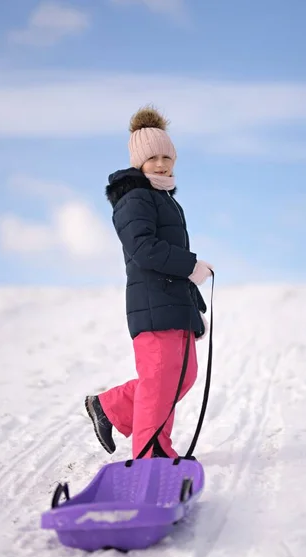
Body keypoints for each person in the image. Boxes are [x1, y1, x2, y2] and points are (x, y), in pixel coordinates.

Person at [85, 105, 214, 459]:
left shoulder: (164, 199)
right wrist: (191, 265)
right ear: (139, 160)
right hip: (154, 307)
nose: (161, 164)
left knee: (182, 377)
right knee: (159, 384)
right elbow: (143, 249)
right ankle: (152, 454)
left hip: (173, 304)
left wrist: (192, 304)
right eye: (153, 157)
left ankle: (111, 408)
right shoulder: (136, 197)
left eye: (167, 157)